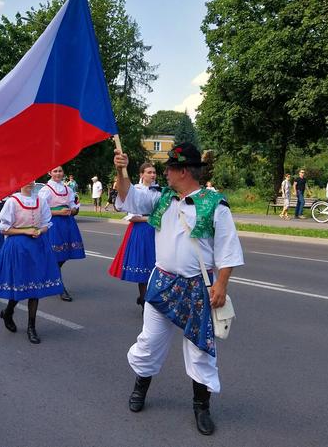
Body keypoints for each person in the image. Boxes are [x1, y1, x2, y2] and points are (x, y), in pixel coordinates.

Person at [113, 143, 244, 436]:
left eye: (170, 168)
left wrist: (221, 284)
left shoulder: (215, 205)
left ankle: (202, 406)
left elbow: (228, 250)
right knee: (149, 342)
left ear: (183, 171)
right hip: (161, 283)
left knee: (200, 350)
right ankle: (140, 388)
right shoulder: (160, 198)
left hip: (197, 288)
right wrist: (121, 170)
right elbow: (126, 196)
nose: (165, 173)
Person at [0, 181, 63, 344]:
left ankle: (31, 327)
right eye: (26, 180)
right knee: (20, 284)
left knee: (34, 287)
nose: (30, 183)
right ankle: (8, 311)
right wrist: (25, 231)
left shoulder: (40, 201)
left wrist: (39, 231)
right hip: (18, 246)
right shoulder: (12, 201)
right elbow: (4, 229)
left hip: (37, 246)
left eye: (32, 180)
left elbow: (45, 224)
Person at [108, 163, 157, 311]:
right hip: (141, 230)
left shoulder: (160, 190)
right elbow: (131, 216)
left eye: (154, 172)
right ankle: (144, 301)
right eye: (149, 172)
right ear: (142, 174)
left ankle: (148, 299)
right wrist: (149, 219)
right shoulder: (135, 190)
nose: (152, 175)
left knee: (156, 267)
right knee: (144, 266)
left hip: (157, 231)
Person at [38, 165, 84, 302]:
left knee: (64, 254)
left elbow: (72, 205)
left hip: (67, 223)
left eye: (60, 171)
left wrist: (74, 210)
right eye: (55, 171)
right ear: (49, 173)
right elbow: (41, 210)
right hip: (54, 224)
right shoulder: (45, 190)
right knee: (56, 255)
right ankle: (60, 286)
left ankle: (52, 276)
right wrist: (58, 212)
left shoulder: (67, 188)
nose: (58, 174)